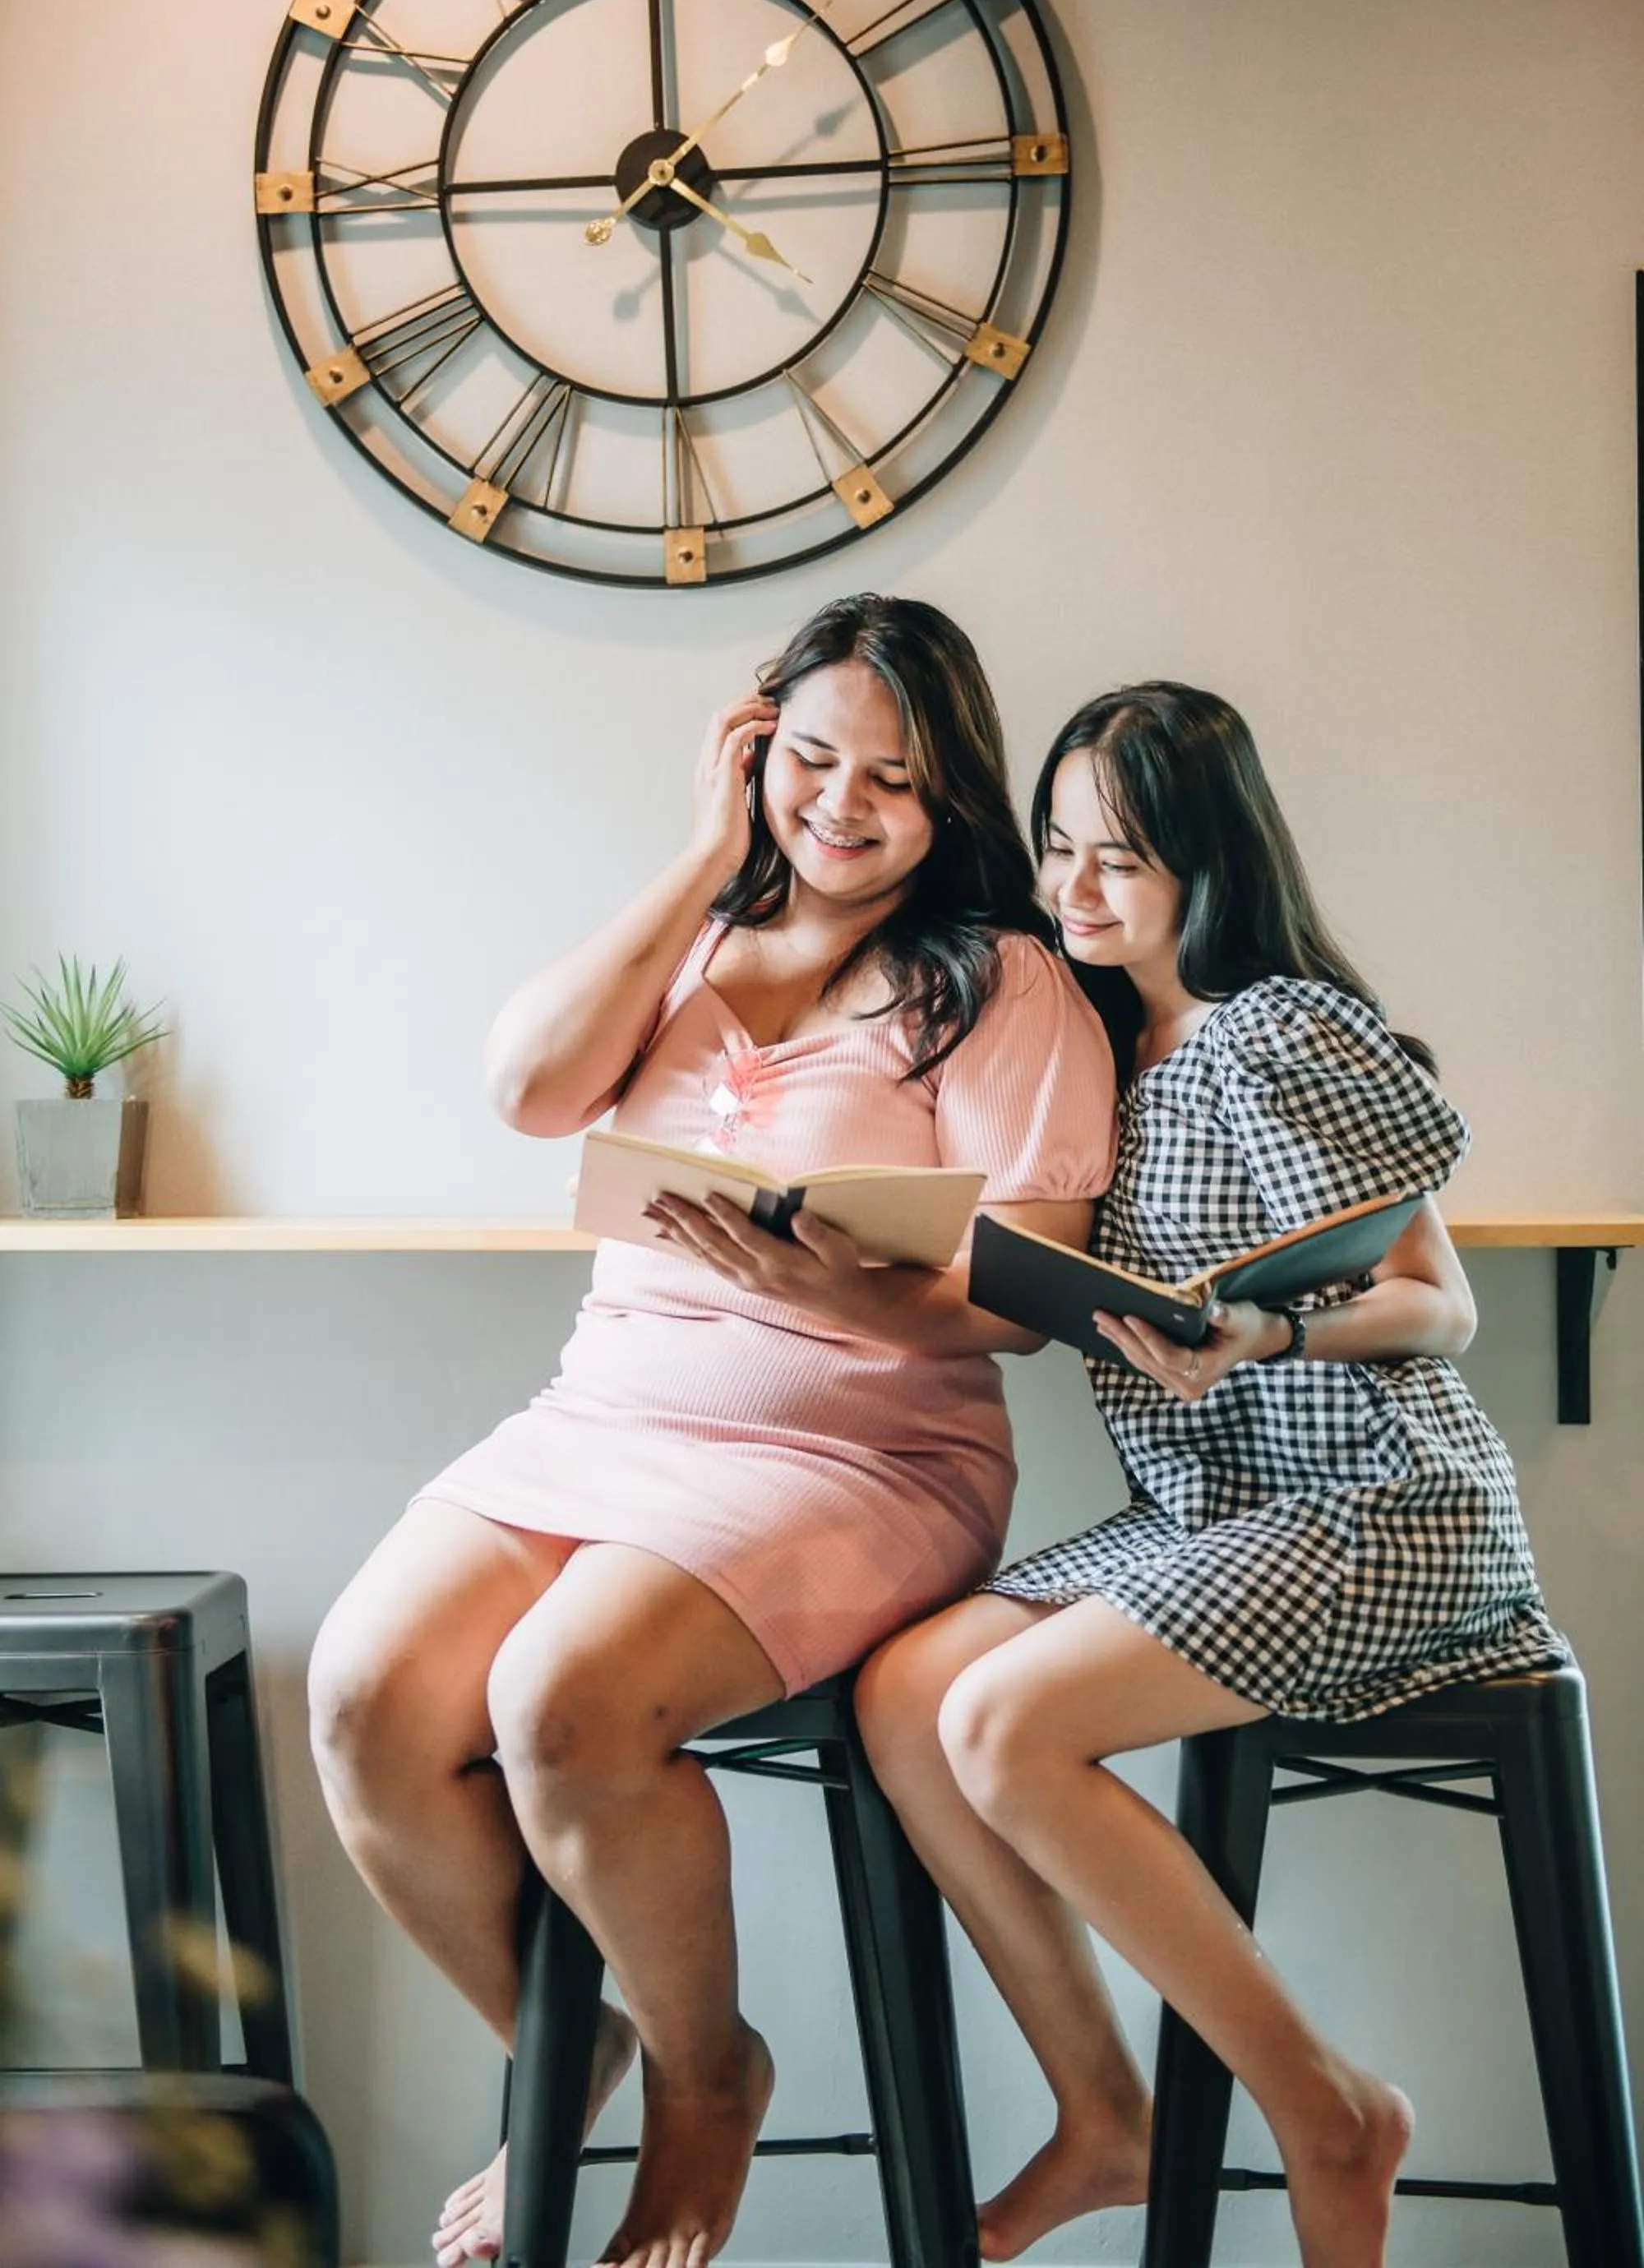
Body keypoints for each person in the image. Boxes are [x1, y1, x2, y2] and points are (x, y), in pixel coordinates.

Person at [306, 594, 1116, 2268]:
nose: (841, 804)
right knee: (367, 1695)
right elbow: (530, 1090)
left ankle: (703, 2085)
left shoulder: (1001, 980)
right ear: (753, 754)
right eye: (808, 760)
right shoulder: (690, 937)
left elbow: (1027, 1298)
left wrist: (835, 1292)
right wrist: (698, 849)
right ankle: (567, 2038)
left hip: (864, 1453)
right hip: (606, 1417)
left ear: (950, 794)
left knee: (561, 1698)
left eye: (890, 778)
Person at [856, 681, 1568, 2268]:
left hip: (1374, 1501)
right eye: (1059, 851)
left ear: (1207, 858)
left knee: (1003, 1717)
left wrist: (1258, 1334)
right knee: (909, 1694)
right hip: (1212, 1515)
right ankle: (1108, 2118)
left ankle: (1324, 2109)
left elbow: (1438, 1303)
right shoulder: (1092, 1041)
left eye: (1121, 858)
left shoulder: (1278, 1027)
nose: (1076, 891)